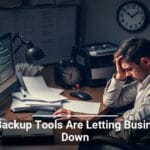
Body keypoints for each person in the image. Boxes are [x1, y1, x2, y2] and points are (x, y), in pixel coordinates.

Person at [53, 38, 150, 149]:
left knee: (81, 140)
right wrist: (119, 76)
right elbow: (111, 101)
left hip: (134, 143)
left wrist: (83, 119)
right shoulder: (143, 81)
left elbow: (129, 131)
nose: (127, 74)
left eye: (129, 69)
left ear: (145, 62)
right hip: (128, 130)